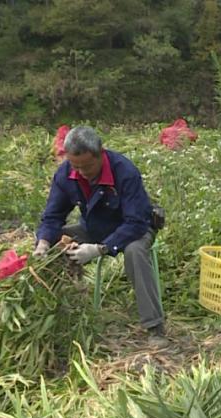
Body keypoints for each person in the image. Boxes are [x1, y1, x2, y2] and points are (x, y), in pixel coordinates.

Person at [32, 126, 165, 336]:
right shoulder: (66, 174)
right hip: (93, 229)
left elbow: (136, 222)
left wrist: (100, 249)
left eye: (87, 166)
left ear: (100, 153)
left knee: (135, 253)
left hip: (133, 231)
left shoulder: (124, 172)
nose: (83, 172)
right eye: (76, 166)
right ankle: (64, 313)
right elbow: (52, 217)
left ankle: (154, 326)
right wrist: (43, 243)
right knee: (54, 244)